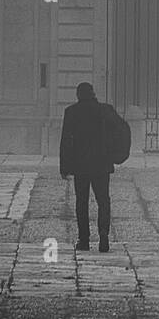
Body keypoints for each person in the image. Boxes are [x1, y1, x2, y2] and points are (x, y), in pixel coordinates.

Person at [59, 82, 113, 252]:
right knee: (103, 201)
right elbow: (118, 131)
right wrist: (115, 155)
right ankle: (104, 234)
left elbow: (66, 141)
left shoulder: (72, 112)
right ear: (93, 93)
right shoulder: (105, 110)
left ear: (78, 95)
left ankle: (84, 240)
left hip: (80, 165)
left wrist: (64, 166)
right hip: (102, 164)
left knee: (81, 202)